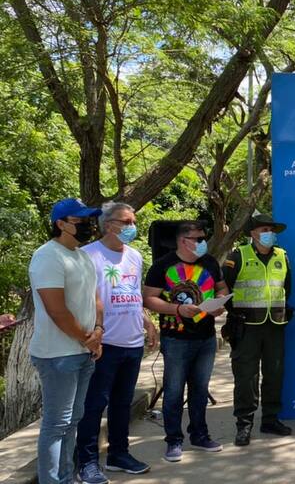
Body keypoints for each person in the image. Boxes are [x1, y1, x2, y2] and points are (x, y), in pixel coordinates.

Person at [76, 202, 157, 483]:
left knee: (122, 403)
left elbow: (134, 294)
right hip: (103, 343)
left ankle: (118, 455)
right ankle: (86, 462)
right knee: (94, 404)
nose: (132, 227)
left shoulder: (134, 256)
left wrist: (147, 321)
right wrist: (91, 335)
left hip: (132, 341)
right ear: (109, 225)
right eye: (127, 221)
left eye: (134, 221)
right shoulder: (87, 255)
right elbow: (81, 300)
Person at [29, 198, 103, 484]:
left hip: (84, 350)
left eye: (88, 220)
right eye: (80, 221)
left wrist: (98, 330)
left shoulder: (82, 256)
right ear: (60, 224)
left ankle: (65, 477)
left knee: (73, 420)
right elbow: (56, 309)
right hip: (58, 355)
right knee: (57, 424)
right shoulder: (48, 256)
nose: (87, 226)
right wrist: (88, 339)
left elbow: (95, 298)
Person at [143, 221, 229, 463]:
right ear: (183, 241)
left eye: (204, 238)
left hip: (206, 337)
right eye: (198, 238)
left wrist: (219, 303)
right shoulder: (162, 265)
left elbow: (222, 288)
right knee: (173, 391)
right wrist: (177, 308)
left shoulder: (210, 262)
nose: (203, 242)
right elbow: (148, 299)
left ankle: (200, 435)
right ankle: (173, 440)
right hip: (176, 338)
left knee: (200, 390)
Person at [222, 214, 294, 446]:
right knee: (246, 377)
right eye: (264, 229)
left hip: (275, 324)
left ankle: (270, 419)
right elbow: (224, 290)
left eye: (271, 230)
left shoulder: (282, 256)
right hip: (246, 327)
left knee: (274, 374)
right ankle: (244, 424)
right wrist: (235, 315)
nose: (269, 233)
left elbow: (287, 288)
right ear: (253, 233)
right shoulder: (238, 256)